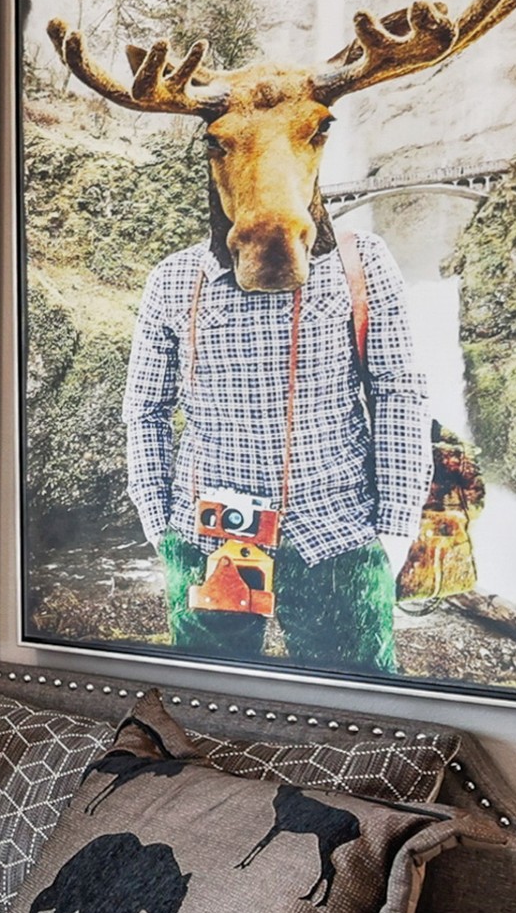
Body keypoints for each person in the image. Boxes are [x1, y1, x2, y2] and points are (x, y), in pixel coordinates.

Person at [120, 220, 424, 671]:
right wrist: (158, 523)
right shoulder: (174, 277)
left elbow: (398, 389)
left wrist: (397, 528)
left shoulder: (359, 261)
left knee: (355, 707)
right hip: (205, 539)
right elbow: (146, 409)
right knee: (208, 702)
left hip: (338, 534)